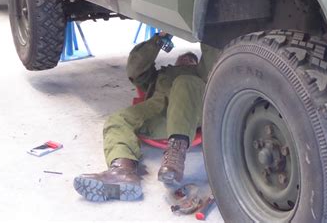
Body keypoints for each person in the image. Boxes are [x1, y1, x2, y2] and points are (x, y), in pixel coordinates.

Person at [73, 33, 220, 202]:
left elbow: (213, 57)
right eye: (182, 59)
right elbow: (135, 68)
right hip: (157, 115)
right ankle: (122, 171)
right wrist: (159, 39)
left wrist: (207, 31)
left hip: (190, 116)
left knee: (184, 81)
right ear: (175, 62)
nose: (186, 61)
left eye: (191, 60)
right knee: (117, 119)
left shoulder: (200, 75)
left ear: (196, 63)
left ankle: (175, 155)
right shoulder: (160, 75)